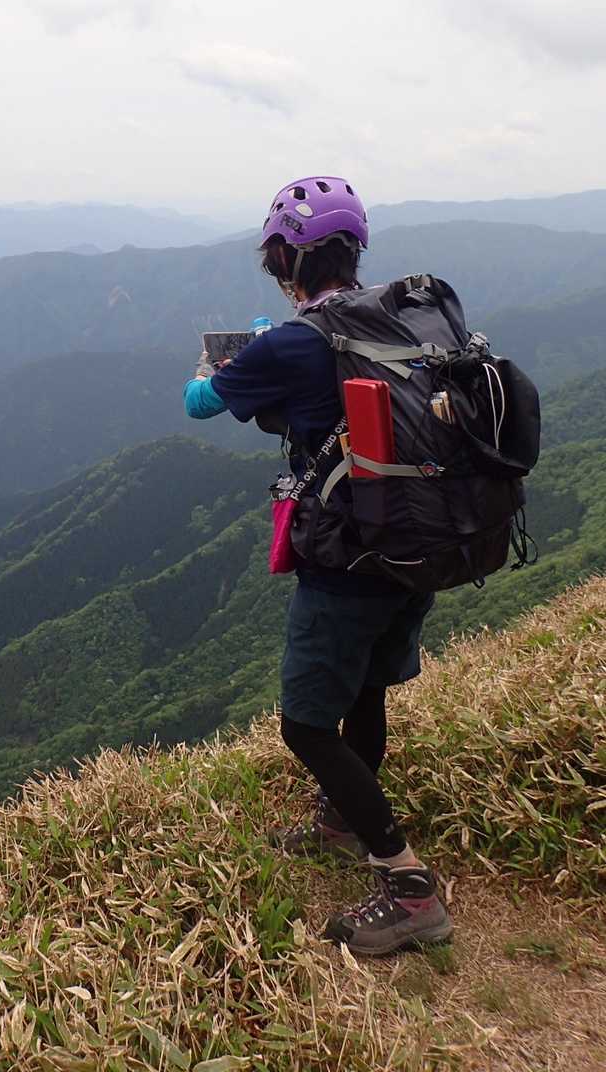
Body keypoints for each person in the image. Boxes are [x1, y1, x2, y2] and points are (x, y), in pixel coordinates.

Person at [183, 176, 453, 956]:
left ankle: (409, 887)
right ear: (353, 253)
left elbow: (201, 403)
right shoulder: (395, 316)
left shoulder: (294, 344)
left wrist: (221, 364)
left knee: (305, 725)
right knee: (365, 689)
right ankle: (341, 821)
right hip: (417, 545)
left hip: (347, 564)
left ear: (287, 260)